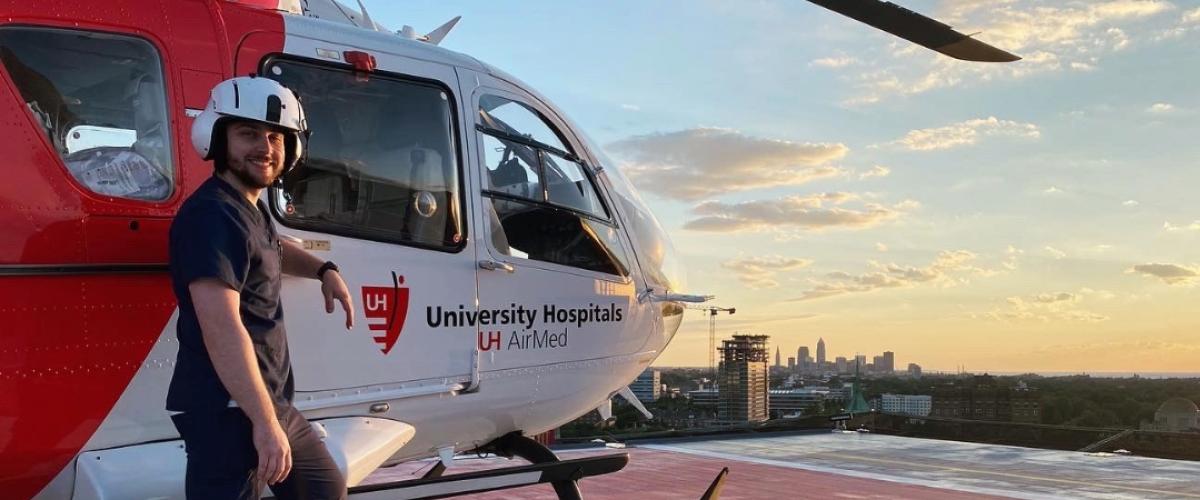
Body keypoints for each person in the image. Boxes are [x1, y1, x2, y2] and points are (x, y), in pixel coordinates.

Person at [167, 76, 354, 499]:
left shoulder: (245, 209)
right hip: (228, 409)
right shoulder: (211, 216)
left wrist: (324, 268)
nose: (265, 147)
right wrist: (264, 424)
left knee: (323, 490)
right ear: (217, 139)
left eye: (275, 137)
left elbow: (270, 247)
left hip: (266, 402)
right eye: (248, 133)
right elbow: (222, 328)